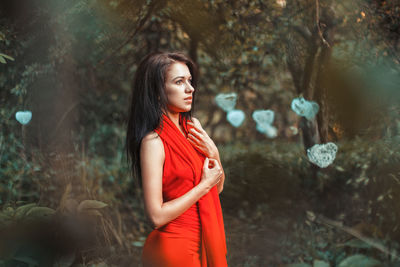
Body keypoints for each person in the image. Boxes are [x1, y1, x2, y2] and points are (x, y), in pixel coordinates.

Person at [126, 52, 228, 267]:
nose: (190, 89)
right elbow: (156, 216)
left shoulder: (193, 127)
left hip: (202, 243)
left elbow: (217, 187)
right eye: (179, 82)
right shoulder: (153, 142)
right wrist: (204, 185)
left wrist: (214, 152)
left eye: (189, 81)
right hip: (175, 249)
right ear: (157, 92)